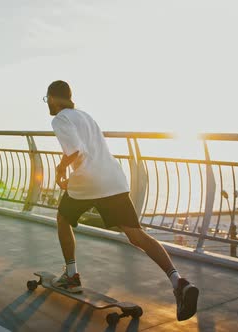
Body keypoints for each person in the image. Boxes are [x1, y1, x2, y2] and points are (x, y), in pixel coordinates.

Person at [44, 80, 199, 321]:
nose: (48, 105)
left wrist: (59, 169)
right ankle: (178, 281)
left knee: (63, 218)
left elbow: (74, 150)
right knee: (136, 233)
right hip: (114, 178)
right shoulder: (86, 116)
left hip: (88, 180)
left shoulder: (60, 119)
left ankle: (72, 275)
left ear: (53, 98)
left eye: (47, 100)